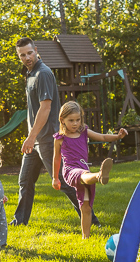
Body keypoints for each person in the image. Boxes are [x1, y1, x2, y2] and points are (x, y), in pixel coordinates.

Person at [10, 38, 100, 227]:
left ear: (36, 50)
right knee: (25, 180)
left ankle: (92, 221)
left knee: (65, 182)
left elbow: (46, 108)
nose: (27, 57)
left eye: (29, 53)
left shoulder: (43, 73)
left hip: (48, 138)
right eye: (22, 55)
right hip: (36, 140)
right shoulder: (30, 74)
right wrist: (32, 138)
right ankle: (20, 221)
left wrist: (31, 136)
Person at [52, 101, 128, 238]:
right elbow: (56, 158)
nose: (75, 123)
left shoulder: (84, 132)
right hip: (70, 171)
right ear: (62, 120)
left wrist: (118, 136)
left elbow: (103, 137)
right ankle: (99, 175)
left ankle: (85, 237)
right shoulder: (60, 138)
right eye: (71, 120)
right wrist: (55, 178)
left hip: (84, 170)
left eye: (78, 120)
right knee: (83, 174)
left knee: (85, 207)